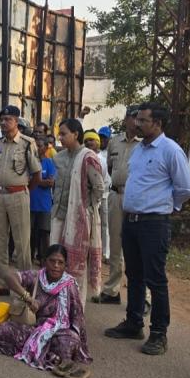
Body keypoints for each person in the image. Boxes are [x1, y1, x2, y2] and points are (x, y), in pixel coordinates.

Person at [105, 103, 190, 355]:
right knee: (134, 275)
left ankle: (158, 334)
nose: (137, 123)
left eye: (143, 120)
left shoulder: (170, 150)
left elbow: (185, 188)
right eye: (136, 119)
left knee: (155, 279)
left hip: (154, 223)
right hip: (131, 220)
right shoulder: (139, 150)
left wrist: (164, 206)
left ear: (157, 123)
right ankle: (134, 323)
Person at [0, 244, 92, 378]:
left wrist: (76, 340)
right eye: (52, 261)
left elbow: (77, 317)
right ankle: (55, 358)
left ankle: (53, 355)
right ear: (45, 261)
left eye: (60, 262)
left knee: (70, 341)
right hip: (34, 329)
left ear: (65, 266)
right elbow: (9, 277)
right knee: (3, 330)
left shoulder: (69, 285)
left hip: (60, 332)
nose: (56, 265)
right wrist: (27, 298)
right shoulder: (36, 276)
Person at [50, 120, 104, 306]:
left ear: (76, 134)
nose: (60, 137)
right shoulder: (59, 157)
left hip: (78, 220)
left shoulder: (88, 157)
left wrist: (85, 209)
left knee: (76, 266)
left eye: (64, 133)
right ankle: (57, 306)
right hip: (59, 216)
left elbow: (99, 188)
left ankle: (76, 308)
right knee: (55, 262)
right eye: (60, 134)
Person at [0, 105, 41, 271]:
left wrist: (24, 190)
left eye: (8, 119)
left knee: (22, 241)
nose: (4, 122)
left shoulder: (27, 143)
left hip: (18, 196)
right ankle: (2, 278)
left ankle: (25, 279)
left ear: (16, 122)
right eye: (2, 120)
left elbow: (37, 174)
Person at [95, 106, 140, 304]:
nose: (135, 121)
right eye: (132, 117)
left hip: (136, 198)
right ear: (126, 119)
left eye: (138, 117)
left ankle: (142, 296)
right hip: (115, 194)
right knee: (115, 243)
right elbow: (111, 168)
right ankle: (112, 290)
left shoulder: (145, 144)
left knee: (137, 246)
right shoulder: (114, 142)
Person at [30, 136, 56, 263]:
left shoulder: (49, 162)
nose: (37, 148)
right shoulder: (29, 162)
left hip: (45, 204)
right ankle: (29, 257)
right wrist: (41, 181)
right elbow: (26, 180)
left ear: (45, 148)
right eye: (35, 146)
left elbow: (51, 183)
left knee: (44, 232)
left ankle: (43, 258)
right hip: (30, 202)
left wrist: (36, 180)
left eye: (39, 146)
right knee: (30, 232)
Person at [89, 128, 113, 262]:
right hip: (93, 194)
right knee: (92, 223)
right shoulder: (88, 155)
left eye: (105, 138)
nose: (102, 140)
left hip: (106, 194)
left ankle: (106, 253)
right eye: (101, 137)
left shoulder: (108, 154)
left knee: (105, 223)